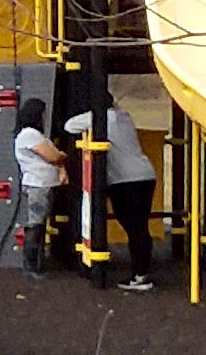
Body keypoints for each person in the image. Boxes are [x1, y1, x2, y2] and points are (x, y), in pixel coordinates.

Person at [65, 92, 158, 292]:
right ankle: (142, 271)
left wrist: (88, 114)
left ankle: (140, 276)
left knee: (134, 228)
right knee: (140, 226)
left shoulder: (99, 118)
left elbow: (69, 125)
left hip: (124, 179)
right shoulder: (124, 116)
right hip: (145, 174)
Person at [13, 98, 66, 280]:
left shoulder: (31, 135)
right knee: (35, 225)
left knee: (39, 224)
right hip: (38, 184)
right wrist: (61, 156)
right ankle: (30, 266)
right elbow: (52, 156)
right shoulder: (31, 135)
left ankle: (36, 263)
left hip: (42, 183)